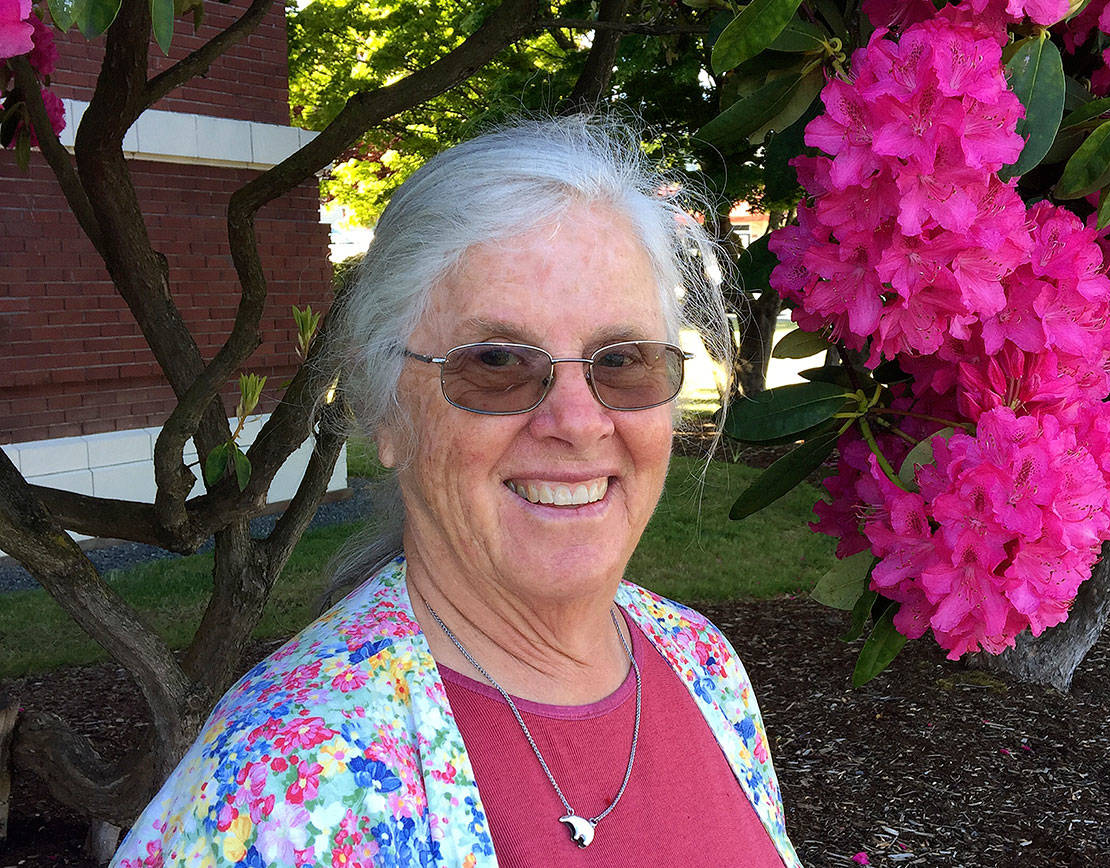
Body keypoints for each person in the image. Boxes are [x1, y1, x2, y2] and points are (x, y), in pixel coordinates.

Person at [112, 117, 802, 868]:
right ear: (389, 415)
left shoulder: (702, 664)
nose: (577, 421)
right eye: (498, 360)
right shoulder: (284, 784)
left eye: (624, 360)